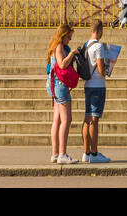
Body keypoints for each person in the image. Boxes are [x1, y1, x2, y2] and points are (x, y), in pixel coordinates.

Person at [81, 18, 113, 163]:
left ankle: (86, 152)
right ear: (100, 31)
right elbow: (100, 70)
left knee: (87, 119)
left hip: (88, 85)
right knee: (94, 119)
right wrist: (108, 69)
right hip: (97, 85)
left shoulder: (86, 45)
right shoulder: (99, 47)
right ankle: (94, 154)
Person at [46, 23, 77, 164]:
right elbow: (62, 64)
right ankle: (62, 154)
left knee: (57, 120)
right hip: (60, 85)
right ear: (64, 36)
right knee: (66, 119)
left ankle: (55, 153)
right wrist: (72, 53)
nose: (69, 40)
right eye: (69, 37)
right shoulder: (59, 47)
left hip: (54, 85)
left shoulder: (55, 46)